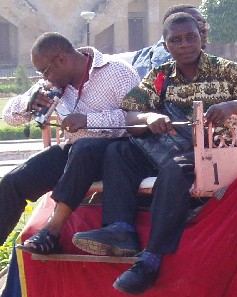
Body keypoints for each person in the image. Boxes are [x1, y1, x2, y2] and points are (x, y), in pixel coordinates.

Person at [71, 13, 237, 295]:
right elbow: (131, 111)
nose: (184, 44)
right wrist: (146, 118)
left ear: (201, 38)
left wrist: (233, 106)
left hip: (212, 151)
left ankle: (151, 260)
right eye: (176, 40)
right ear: (166, 46)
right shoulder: (160, 76)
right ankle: (120, 229)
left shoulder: (226, 70)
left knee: (174, 169)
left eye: (190, 37)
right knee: (118, 151)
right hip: (167, 147)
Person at [2, 32, 139, 251]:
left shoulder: (117, 71)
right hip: (76, 152)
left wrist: (87, 120)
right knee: (13, 181)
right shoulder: (56, 83)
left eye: (44, 72)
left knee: (85, 148)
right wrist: (29, 103)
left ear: (61, 60)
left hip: (118, 154)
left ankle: (51, 231)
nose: (45, 79)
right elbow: (9, 116)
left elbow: (137, 119)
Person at [131, 3, 208, 78]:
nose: (204, 29)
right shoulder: (171, 59)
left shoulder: (142, 55)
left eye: (204, 24)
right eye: (198, 23)